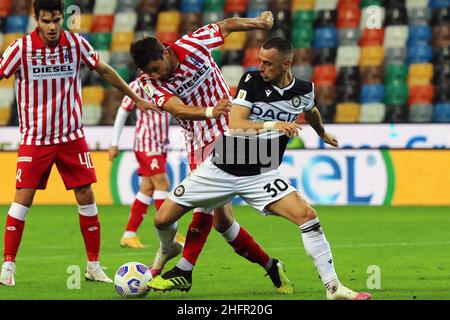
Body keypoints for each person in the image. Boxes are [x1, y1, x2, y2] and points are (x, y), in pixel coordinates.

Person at [148, 37, 372, 300]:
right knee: (162, 220)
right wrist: (272, 125)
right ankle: (171, 250)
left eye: (267, 63)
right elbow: (235, 123)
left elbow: (310, 110)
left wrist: (322, 132)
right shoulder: (251, 81)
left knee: (307, 216)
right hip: (222, 168)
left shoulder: (304, 90)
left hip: (261, 174)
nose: (261, 66)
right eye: (260, 61)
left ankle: (334, 288)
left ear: (286, 64)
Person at [130, 12, 294, 293]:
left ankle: (183, 269)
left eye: (158, 67)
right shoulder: (149, 82)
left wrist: (258, 23)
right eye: (151, 72)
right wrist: (209, 111)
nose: (157, 75)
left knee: (204, 205)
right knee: (223, 223)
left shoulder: (192, 43)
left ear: (166, 52)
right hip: (196, 141)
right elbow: (176, 108)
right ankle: (271, 265)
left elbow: (226, 25)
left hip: (232, 132)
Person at [0, 0, 158, 286]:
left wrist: (135, 98)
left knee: (86, 195)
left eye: (57, 20)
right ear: (36, 19)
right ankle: (8, 266)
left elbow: (105, 69)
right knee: (23, 198)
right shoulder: (20, 49)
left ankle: (93, 266)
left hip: (72, 137)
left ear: (62, 18)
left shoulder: (76, 44)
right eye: (46, 20)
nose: (51, 26)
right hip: (35, 139)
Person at [108, 78, 185, 249]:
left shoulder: (166, 82)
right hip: (147, 144)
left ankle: (129, 235)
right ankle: (171, 234)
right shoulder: (137, 84)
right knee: (163, 184)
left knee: (147, 189)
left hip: (160, 144)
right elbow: (123, 111)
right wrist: (114, 143)